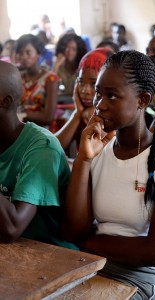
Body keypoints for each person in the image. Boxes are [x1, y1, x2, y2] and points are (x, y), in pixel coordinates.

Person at [62, 50, 155, 299]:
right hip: (88, 267)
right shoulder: (97, 150)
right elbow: (72, 230)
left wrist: (86, 241)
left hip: (138, 278)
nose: (100, 104)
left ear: (142, 100)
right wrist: (83, 159)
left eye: (112, 96)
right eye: (99, 93)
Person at [0, 60, 77, 250]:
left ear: (5, 101)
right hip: (13, 255)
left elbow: (12, 227)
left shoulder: (42, 147)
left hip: (53, 256)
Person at [56, 47, 114, 154]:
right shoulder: (83, 113)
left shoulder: (115, 116)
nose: (85, 90)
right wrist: (77, 113)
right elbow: (54, 147)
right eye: (81, 82)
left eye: (93, 84)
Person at [15, 34, 59, 132]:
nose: (23, 57)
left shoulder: (50, 79)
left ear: (38, 54)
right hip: (19, 129)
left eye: (28, 52)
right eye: (20, 53)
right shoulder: (17, 77)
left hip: (41, 132)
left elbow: (48, 117)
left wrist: (23, 115)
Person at [53, 33, 87, 102]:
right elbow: (50, 87)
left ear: (79, 51)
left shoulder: (83, 69)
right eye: (67, 48)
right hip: (60, 104)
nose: (70, 52)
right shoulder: (59, 68)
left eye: (74, 49)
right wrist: (56, 65)